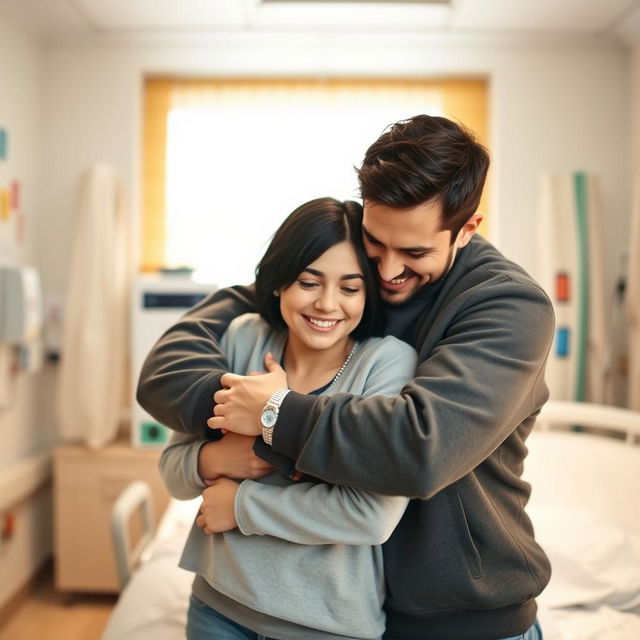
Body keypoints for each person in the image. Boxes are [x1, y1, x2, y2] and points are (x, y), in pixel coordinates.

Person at [138, 115, 554, 640]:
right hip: (365, 603)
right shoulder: (337, 279)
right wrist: (209, 452)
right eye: (376, 243)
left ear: (467, 229)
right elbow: (245, 308)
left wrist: (273, 414)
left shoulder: (508, 306)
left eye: (416, 253)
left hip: (465, 614)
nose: (387, 272)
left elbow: (420, 449)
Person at [158, 197, 417, 640]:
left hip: (327, 625)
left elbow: (371, 517)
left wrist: (241, 507)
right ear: (280, 282)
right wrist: (219, 459)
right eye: (308, 282)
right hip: (216, 607)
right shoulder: (245, 338)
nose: (327, 304)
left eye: (350, 288)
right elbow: (172, 472)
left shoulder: (385, 364)